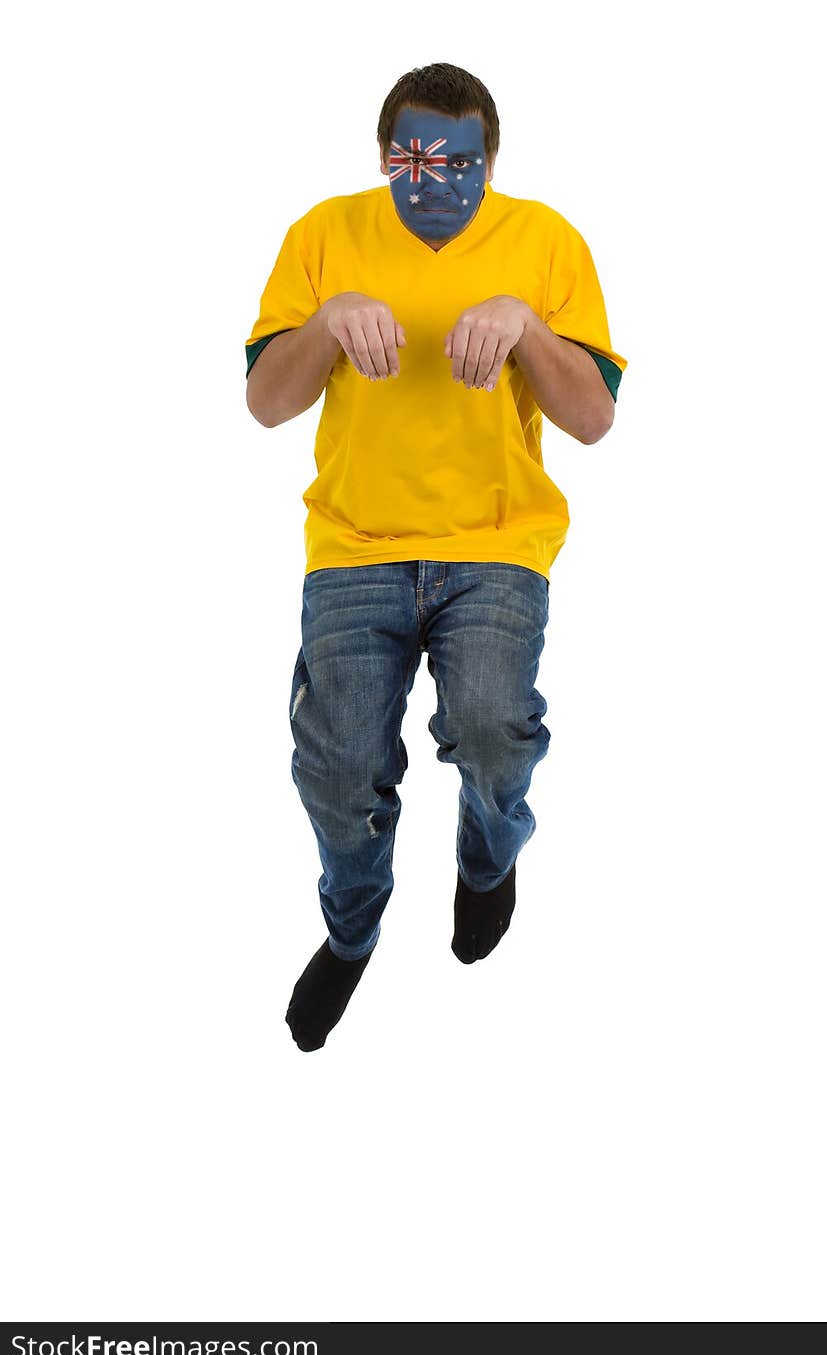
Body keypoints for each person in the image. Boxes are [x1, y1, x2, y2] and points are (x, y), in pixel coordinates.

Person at [244, 62, 627, 1052]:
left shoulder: (545, 241)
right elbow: (265, 402)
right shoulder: (324, 235)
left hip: (494, 544)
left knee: (495, 732)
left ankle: (488, 862)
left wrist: (527, 325)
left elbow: (591, 419)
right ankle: (351, 924)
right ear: (383, 158)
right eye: (413, 158)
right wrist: (327, 323)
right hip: (353, 546)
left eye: (458, 162)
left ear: (488, 161)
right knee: (334, 767)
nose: (434, 180)